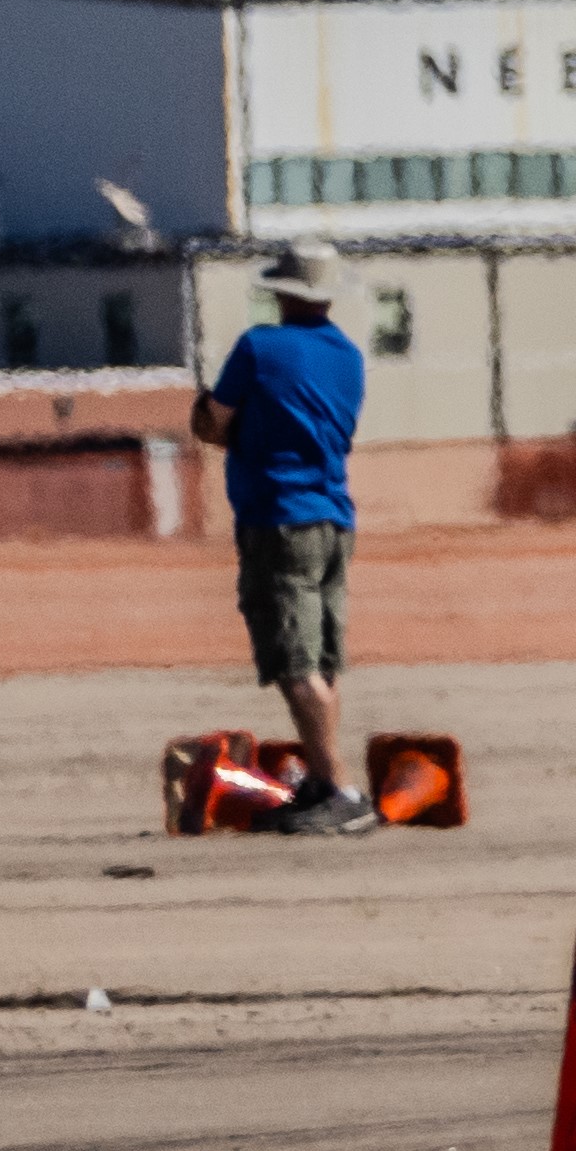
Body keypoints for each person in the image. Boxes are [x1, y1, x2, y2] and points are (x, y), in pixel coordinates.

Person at [191, 242, 377, 836]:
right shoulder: (347, 356)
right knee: (322, 661)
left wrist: (233, 424)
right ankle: (324, 783)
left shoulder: (259, 347)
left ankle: (341, 790)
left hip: (277, 516)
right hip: (333, 517)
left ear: (281, 292)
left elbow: (212, 423)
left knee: (294, 661)